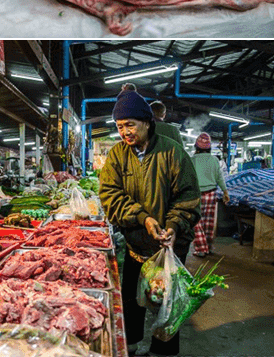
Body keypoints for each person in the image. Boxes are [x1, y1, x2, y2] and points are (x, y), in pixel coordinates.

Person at [99, 89, 200, 357]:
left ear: (147, 122)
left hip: (169, 247)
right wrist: (142, 218)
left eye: (130, 124)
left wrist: (174, 226)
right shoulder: (117, 155)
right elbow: (110, 195)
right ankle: (130, 345)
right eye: (120, 126)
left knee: (168, 304)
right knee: (132, 299)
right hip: (136, 244)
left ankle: (162, 351)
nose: (125, 132)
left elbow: (188, 197)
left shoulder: (172, 152)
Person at [191, 132, 229, 257]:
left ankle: (201, 249)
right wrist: (225, 192)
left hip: (196, 194)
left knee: (196, 221)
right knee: (209, 222)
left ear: (196, 147)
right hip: (211, 194)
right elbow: (220, 178)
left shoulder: (192, 160)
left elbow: (187, 178)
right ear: (209, 148)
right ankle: (209, 246)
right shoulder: (214, 160)